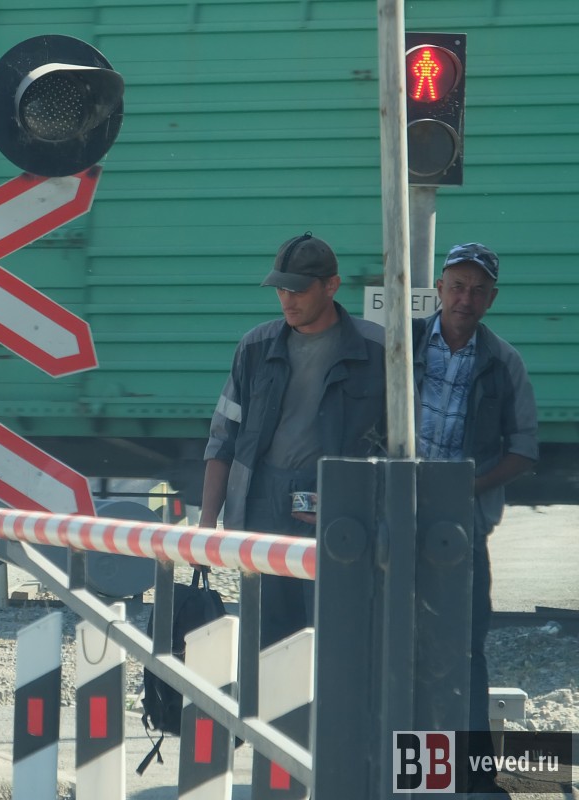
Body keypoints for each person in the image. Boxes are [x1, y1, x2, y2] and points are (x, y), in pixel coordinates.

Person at [198, 232, 386, 647]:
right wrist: (206, 523)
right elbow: (223, 437)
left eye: (298, 289)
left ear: (331, 286)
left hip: (339, 511)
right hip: (263, 506)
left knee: (335, 639)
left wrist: (355, 504)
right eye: (281, 289)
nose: (287, 299)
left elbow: (402, 451)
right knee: (267, 640)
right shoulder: (255, 347)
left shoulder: (377, 352)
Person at [412, 242, 538, 797]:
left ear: (492, 299)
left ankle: (474, 781)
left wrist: (468, 487)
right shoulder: (401, 346)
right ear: (439, 289)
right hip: (391, 520)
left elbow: (523, 451)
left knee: (463, 651)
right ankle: (398, 770)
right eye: (458, 286)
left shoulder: (504, 362)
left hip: (460, 531)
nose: (466, 298)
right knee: (392, 645)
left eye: (478, 290)